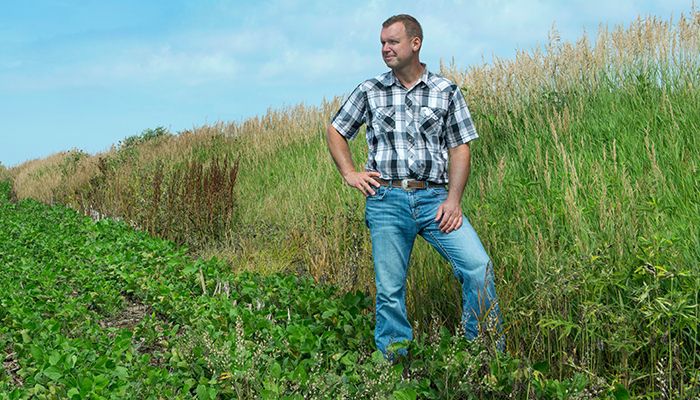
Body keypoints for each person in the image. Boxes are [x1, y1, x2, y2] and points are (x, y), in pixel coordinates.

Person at [326, 14, 503, 357]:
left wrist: (454, 200)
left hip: (435, 199)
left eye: (392, 42)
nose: (385, 49)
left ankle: (483, 355)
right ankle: (394, 367)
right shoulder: (369, 90)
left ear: (415, 43)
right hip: (387, 199)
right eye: (382, 43)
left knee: (478, 268)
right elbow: (336, 130)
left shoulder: (446, 90)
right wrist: (349, 173)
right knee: (390, 291)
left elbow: (460, 146)